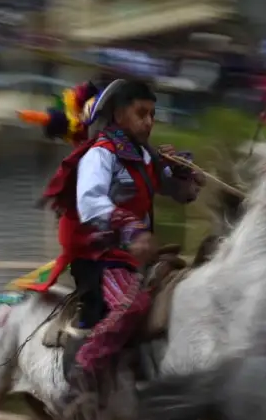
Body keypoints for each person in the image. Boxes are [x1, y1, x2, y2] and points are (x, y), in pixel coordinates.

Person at [37, 79, 203, 403]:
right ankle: (85, 371)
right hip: (103, 255)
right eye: (141, 113)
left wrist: (186, 173)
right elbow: (90, 202)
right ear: (119, 114)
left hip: (136, 256)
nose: (149, 122)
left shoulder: (144, 156)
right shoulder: (101, 154)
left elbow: (178, 191)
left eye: (153, 114)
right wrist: (132, 228)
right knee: (134, 305)